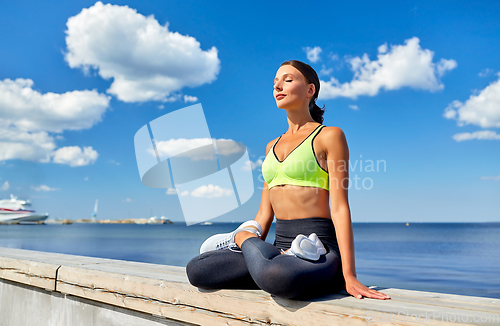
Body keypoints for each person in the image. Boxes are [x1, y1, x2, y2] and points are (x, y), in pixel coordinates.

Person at [186, 60, 390, 301]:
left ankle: (242, 238)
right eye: (275, 83)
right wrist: (254, 249)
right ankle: (250, 247)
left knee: (278, 276)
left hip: (319, 249)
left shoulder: (330, 136)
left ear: (310, 90)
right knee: (198, 269)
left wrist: (349, 274)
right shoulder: (271, 146)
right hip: (277, 248)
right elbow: (264, 214)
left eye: (287, 80)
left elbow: (339, 207)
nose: (278, 87)